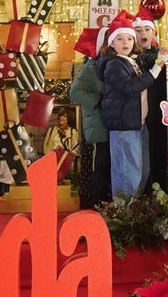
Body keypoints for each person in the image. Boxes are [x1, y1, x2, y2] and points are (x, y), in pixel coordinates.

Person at [98, 13, 168, 197]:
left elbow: (147, 60)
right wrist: (157, 68)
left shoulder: (131, 60)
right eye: (120, 38)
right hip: (124, 126)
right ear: (112, 43)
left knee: (140, 173)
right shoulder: (113, 64)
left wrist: (163, 57)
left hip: (138, 124)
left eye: (130, 38)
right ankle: (122, 216)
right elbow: (130, 87)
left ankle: (132, 214)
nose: (126, 42)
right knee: (127, 174)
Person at [69, 27, 112, 208]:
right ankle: (93, 209)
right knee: (99, 169)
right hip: (97, 127)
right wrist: (99, 101)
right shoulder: (90, 67)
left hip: (111, 126)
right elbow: (75, 92)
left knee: (108, 168)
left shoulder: (114, 64)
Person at [133, 6, 168, 192]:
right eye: (138, 30)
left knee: (160, 156)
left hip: (161, 116)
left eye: (147, 29)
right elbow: (149, 62)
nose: (143, 34)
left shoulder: (162, 56)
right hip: (139, 117)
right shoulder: (130, 58)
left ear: (153, 32)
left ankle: (160, 195)